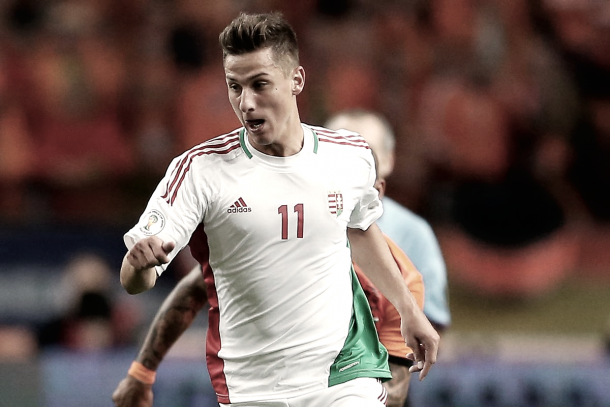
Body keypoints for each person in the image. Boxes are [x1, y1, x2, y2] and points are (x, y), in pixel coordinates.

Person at [118, 12, 438, 406]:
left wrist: (408, 309)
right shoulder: (200, 170)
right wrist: (139, 263)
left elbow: (361, 229)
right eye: (234, 87)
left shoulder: (349, 157)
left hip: (343, 374)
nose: (246, 103)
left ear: (296, 80)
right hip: (251, 385)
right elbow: (137, 280)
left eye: (260, 84)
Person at [112, 152, 426, 407]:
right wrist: (142, 371)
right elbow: (192, 292)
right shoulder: (274, 241)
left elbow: (393, 390)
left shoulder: (400, 281)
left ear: (376, 193)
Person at [325, 109, 451, 333]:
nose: (352, 164)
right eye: (339, 151)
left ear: (388, 160)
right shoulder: (295, 221)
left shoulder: (413, 233)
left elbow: (431, 325)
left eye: (366, 153)